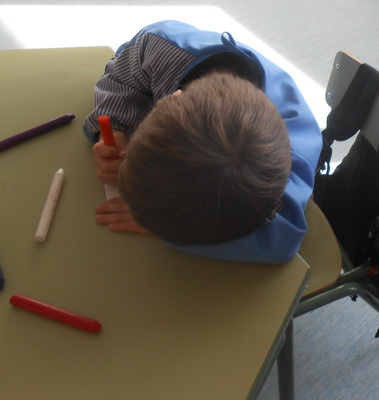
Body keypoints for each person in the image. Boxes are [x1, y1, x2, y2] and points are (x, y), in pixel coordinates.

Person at [83, 20, 322, 264]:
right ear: (173, 98)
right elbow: (120, 78)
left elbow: (282, 238)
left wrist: (165, 227)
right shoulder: (158, 46)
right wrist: (115, 127)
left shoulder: (294, 153)